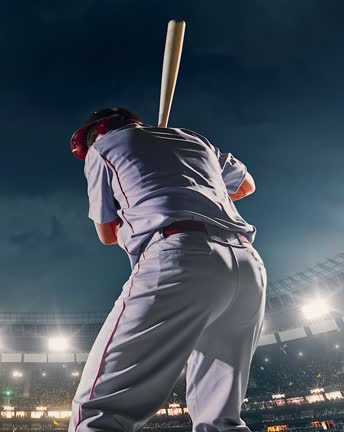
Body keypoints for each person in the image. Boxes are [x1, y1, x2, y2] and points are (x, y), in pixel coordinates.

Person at [68, 107, 266, 432]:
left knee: (99, 412)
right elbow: (246, 186)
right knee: (220, 421)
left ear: (98, 131)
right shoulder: (193, 137)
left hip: (180, 257)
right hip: (247, 264)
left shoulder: (102, 148)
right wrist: (194, 192)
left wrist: (147, 205)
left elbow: (105, 233)